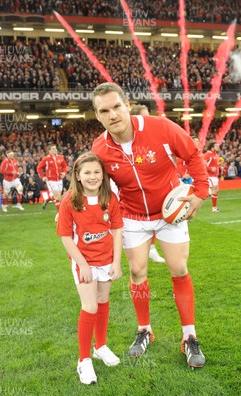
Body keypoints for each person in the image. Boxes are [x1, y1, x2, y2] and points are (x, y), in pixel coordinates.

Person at [91, 82, 208, 368]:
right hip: (132, 216)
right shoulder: (100, 148)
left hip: (170, 213)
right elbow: (97, 184)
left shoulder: (161, 127)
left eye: (116, 106)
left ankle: (189, 336)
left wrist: (200, 193)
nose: (112, 114)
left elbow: (192, 154)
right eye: (104, 111)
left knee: (179, 269)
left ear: (127, 105)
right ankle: (144, 329)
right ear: (98, 116)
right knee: (137, 271)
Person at [56, 152, 123, 385]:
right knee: (90, 305)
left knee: (103, 300)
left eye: (97, 172)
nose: (93, 177)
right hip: (83, 261)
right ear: (78, 175)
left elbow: (116, 231)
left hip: (106, 259)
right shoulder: (70, 200)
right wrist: (82, 264)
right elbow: (65, 237)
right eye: (87, 172)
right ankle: (83, 360)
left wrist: (116, 262)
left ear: (103, 174)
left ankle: (100, 346)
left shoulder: (110, 197)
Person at [129, 104, 165, 263]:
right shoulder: (125, 140)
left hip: (150, 189)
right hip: (130, 194)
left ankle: (151, 249)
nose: (148, 119)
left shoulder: (153, 137)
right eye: (145, 116)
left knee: (155, 217)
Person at [37, 145, 68, 210]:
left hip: (59, 180)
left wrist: (64, 173)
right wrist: (43, 177)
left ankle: (47, 200)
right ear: (49, 151)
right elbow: (39, 168)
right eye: (53, 149)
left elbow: (65, 166)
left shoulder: (60, 157)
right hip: (51, 180)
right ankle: (60, 214)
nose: (55, 150)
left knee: (58, 196)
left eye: (55, 148)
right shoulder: (46, 159)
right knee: (58, 198)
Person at [203, 141, 221, 212]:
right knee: (214, 190)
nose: (218, 147)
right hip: (210, 175)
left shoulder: (216, 155)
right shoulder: (208, 154)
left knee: (216, 191)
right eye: (216, 146)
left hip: (215, 176)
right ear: (212, 147)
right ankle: (214, 208)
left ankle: (214, 208)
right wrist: (210, 169)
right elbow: (202, 165)